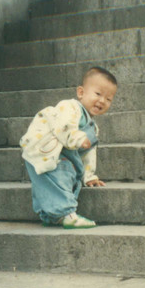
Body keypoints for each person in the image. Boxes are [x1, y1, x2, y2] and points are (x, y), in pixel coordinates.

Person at [20, 66, 118, 229]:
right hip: (46, 151)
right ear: (81, 93)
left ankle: (51, 217)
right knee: (57, 179)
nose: (102, 101)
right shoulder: (70, 107)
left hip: (63, 155)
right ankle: (66, 214)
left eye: (108, 99)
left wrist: (89, 175)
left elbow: (88, 153)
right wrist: (78, 138)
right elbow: (63, 125)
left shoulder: (92, 128)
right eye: (98, 94)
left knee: (68, 178)